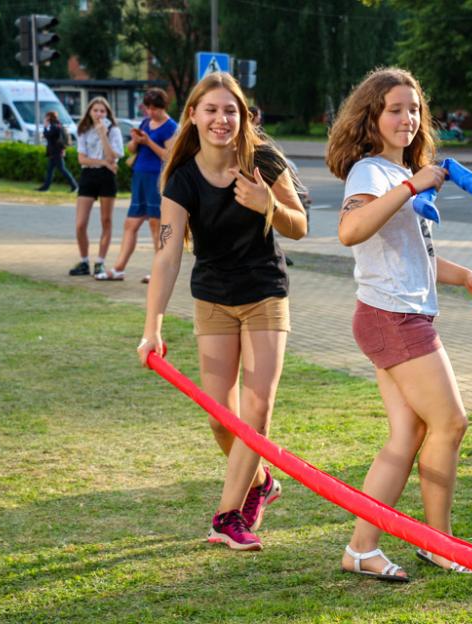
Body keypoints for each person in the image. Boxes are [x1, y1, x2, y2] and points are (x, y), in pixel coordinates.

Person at [327, 67, 472, 580]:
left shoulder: (397, 174)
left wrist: (461, 274)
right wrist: (410, 185)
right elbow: (351, 230)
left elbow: (407, 253)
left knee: (409, 433)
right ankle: (439, 544)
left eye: (414, 109)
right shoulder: (372, 173)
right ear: (372, 116)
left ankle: (361, 548)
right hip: (392, 318)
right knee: (451, 422)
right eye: (395, 109)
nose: (407, 118)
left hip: (396, 314)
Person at [137, 72, 308, 551]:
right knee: (220, 418)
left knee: (256, 408)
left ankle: (229, 515)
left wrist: (267, 203)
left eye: (230, 110)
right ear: (193, 114)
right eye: (211, 110)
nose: (221, 119)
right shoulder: (183, 176)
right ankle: (261, 481)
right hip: (212, 297)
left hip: (264, 295)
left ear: (243, 116)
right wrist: (152, 326)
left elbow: (300, 226)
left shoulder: (264, 160)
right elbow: (167, 253)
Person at [98, 88, 178, 282]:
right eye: (147, 108)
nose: (150, 113)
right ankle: (118, 268)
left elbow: (170, 156)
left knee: (155, 224)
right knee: (130, 223)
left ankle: (159, 271)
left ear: (163, 107)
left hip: (156, 179)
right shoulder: (144, 123)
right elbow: (132, 149)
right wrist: (136, 140)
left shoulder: (171, 127)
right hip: (140, 177)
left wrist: (148, 141)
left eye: (154, 109)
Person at [69, 96, 123, 277]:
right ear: (89, 112)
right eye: (96, 110)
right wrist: (104, 162)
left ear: (107, 113)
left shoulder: (113, 130)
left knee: (106, 221)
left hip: (107, 177)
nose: (99, 114)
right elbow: (81, 159)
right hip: (88, 175)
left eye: (102, 111)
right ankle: (84, 261)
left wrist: (103, 135)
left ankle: (100, 262)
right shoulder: (83, 130)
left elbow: (114, 156)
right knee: (80, 224)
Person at [36, 111, 78, 192]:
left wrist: (45, 126)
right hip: (55, 152)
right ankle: (45, 187)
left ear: (49, 117)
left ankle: (75, 186)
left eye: (46, 116)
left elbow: (47, 135)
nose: (45, 118)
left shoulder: (54, 126)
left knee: (62, 169)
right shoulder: (58, 124)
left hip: (56, 152)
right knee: (50, 170)